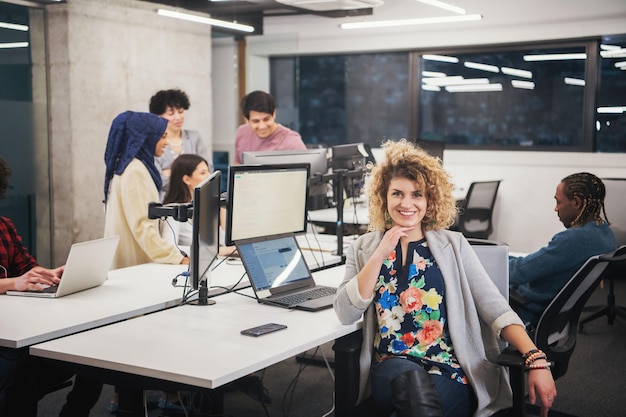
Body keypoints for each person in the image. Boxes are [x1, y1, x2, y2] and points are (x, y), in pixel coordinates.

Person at [334, 139, 556, 417]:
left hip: (449, 369)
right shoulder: (364, 248)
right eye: (397, 193)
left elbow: (495, 307)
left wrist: (535, 359)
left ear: (430, 200)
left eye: (417, 194)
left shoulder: (453, 245)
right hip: (393, 364)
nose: (407, 203)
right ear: (383, 196)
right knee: (411, 388)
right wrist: (379, 254)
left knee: (420, 408)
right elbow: (345, 312)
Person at [0, 157, 102, 417]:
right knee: (19, 372)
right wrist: (13, 282)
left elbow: (27, 267)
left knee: (95, 347)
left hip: (17, 326)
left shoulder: (4, 226)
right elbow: (17, 280)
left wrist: (46, 274)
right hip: (6, 340)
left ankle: (74, 412)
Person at [509, 172, 616, 326]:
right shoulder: (605, 233)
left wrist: (485, 258)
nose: (555, 208)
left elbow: (517, 273)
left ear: (577, 202)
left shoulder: (574, 240)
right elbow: (531, 265)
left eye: (558, 202)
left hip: (526, 311)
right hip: (556, 317)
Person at [103, 111, 189, 269]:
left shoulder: (131, 167)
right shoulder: (135, 171)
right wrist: (177, 258)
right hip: (135, 268)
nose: (167, 142)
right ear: (146, 138)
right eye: (162, 137)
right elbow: (142, 226)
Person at [160, 154, 236, 257]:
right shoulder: (174, 211)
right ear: (187, 179)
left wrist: (223, 208)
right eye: (202, 173)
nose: (209, 176)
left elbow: (219, 241)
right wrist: (216, 251)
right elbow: (169, 247)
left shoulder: (203, 205)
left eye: (208, 171)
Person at [149, 88, 211, 194]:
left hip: (195, 199)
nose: (178, 117)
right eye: (171, 113)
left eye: (181, 111)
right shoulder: (155, 142)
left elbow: (208, 171)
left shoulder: (194, 137)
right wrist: (193, 175)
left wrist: (171, 173)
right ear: (158, 116)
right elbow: (158, 180)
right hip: (167, 202)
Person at [234, 90, 306, 164]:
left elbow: (305, 172)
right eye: (256, 121)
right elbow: (237, 163)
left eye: (266, 119)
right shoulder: (242, 132)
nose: (262, 126)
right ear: (246, 120)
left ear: (274, 114)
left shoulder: (291, 141)